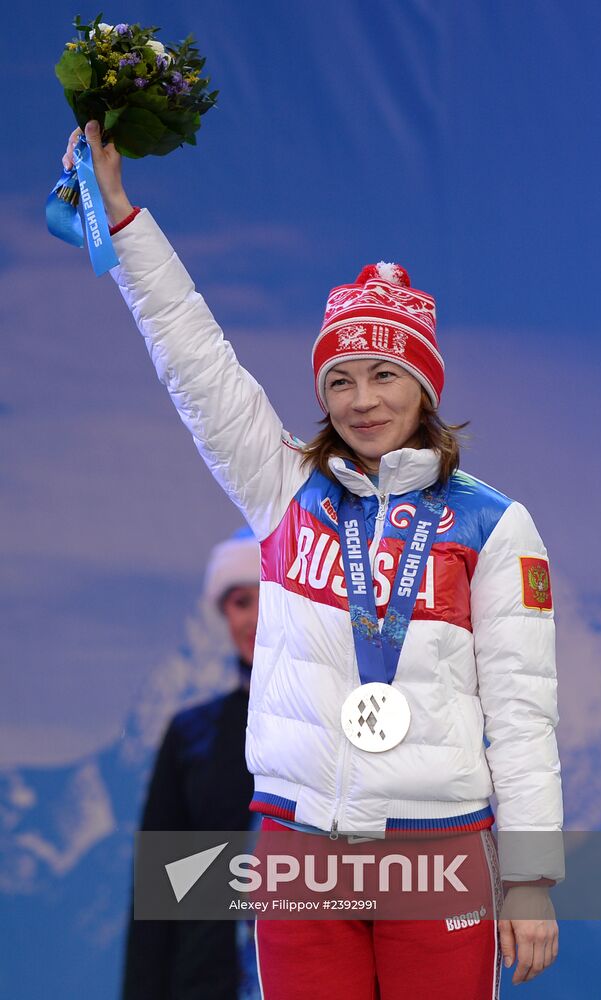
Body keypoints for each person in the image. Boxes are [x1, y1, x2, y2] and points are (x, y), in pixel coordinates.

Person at [64, 122, 564, 999]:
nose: (362, 400)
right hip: (300, 847)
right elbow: (194, 357)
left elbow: (522, 715)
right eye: (339, 380)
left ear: (424, 387)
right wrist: (124, 221)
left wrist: (528, 877)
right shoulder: (282, 486)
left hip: (437, 851)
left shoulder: (494, 524)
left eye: (383, 375)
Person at [122, 531, 262, 1000]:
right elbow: (156, 899)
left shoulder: (347, 727)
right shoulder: (193, 735)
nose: (255, 618)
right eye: (241, 602)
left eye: (271, 598)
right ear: (224, 614)